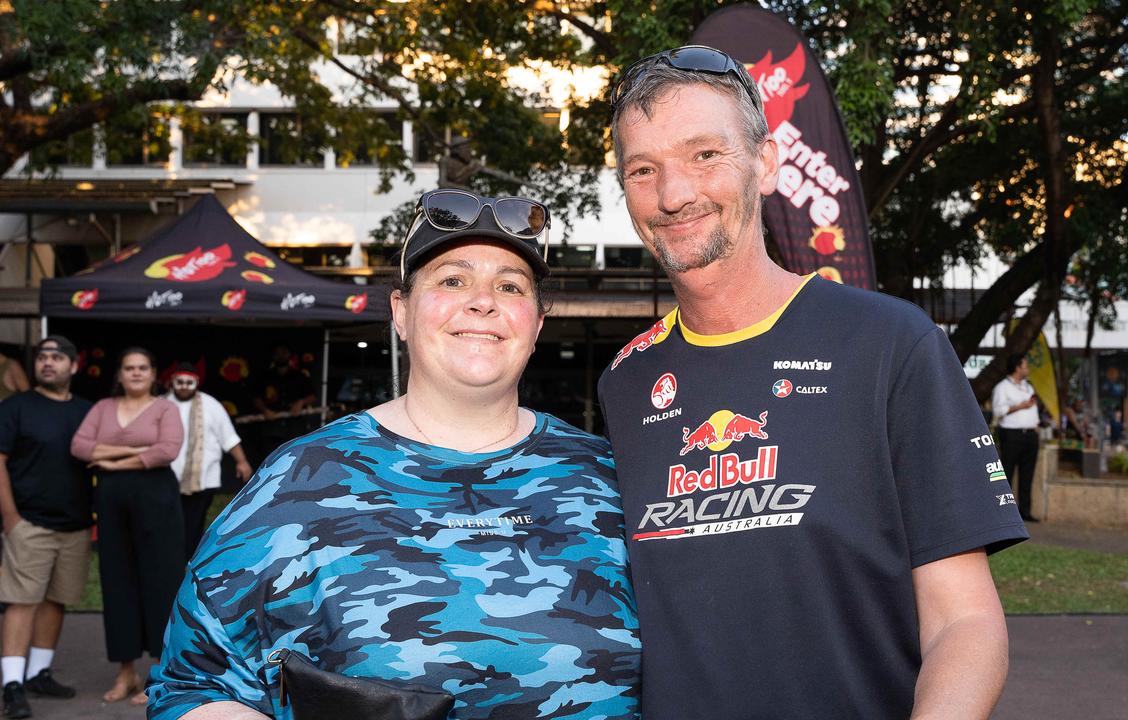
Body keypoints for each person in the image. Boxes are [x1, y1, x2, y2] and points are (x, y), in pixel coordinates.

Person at [601, 45, 1028, 719]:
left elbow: (965, 624)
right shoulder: (624, 382)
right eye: (643, 169)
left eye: (705, 155)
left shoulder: (891, 344)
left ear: (766, 164)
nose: (674, 194)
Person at [147, 191, 641, 719]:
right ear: (401, 313)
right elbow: (191, 685)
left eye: (509, 285)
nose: (483, 301)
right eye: (452, 280)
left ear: (538, 324)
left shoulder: (611, 478)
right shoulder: (299, 481)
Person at [71, 347, 184, 705]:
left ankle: (158, 672)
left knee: (160, 579)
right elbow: (79, 447)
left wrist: (110, 458)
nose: (135, 373)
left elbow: (167, 450)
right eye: (128, 368)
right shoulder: (102, 407)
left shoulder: (166, 408)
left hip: (156, 499)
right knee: (117, 579)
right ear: (119, 375)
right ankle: (125, 672)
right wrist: (135, 454)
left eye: (142, 368)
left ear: (153, 375)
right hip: (111, 502)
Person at [0, 337, 92, 719]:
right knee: (22, 601)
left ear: (73, 366)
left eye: (57, 358)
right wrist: (10, 519)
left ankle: (38, 673)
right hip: (29, 522)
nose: (48, 363)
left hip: (75, 525)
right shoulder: (15, 407)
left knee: (57, 598)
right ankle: (12, 684)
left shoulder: (89, 412)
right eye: (42, 358)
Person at [165, 363, 253, 560]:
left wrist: (242, 462)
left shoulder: (210, 405)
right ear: (173, 382)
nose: (184, 386)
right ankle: (170, 558)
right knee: (169, 522)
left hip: (203, 479)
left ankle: (189, 560)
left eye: (189, 382)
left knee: (194, 522)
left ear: (196, 383)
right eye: (180, 382)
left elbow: (228, 437)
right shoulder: (162, 405)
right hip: (167, 479)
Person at [993, 353, 1040, 522]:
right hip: (1012, 435)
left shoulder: (1028, 387)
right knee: (1007, 472)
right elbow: (998, 411)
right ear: (1018, 368)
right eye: (1025, 366)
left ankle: (1025, 511)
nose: (1027, 369)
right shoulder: (1002, 388)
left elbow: (1032, 408)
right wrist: (1021, 406)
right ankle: (1004, 512)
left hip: (1030, 435)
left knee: (1027, 475)